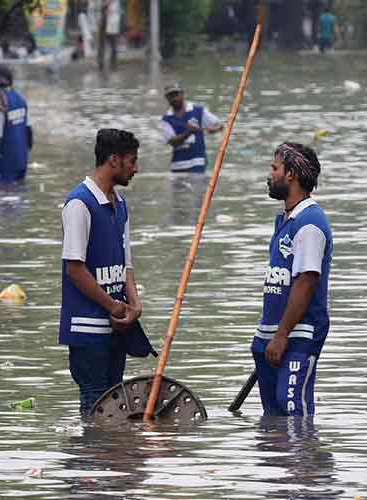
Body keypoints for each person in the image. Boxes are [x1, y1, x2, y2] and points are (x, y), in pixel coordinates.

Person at [59, 129, 142, 416]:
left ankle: (109, 458)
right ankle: (92, 459)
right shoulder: (79, 204)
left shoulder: (120, 206)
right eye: (132, 161)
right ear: (114, 161)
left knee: (115, 404)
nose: (135, 168)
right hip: (87, 329)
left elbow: (126, 265)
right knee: (95, 406)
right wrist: (112, 305)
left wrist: (134, 305)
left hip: (116, 327)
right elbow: (75, 270)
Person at [252, 142, 333, 417]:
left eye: (274, 168)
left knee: (293, 413)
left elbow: (306, 283)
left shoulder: (309, 222)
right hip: (272, 335)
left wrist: (281, 336)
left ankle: (301, 461)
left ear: (291, 175)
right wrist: (266, 337)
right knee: (273, 418)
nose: (269, 175)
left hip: (298, 335)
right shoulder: (286, 219)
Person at [160, 83, 223, 174]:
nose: (174, 98)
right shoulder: (166, 119)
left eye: (176, 95)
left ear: (182, 94)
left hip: (198, 162)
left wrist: (214, 129)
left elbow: (219, 125)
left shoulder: (198, 110)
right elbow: (172, 142)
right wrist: (189, 132)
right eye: (171, 96)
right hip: (178, 165)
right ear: (167, 98)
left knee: (198, 187)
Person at [0, 64, 32, 184]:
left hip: (5, 164)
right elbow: (29, 135)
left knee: (2, 197)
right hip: (22, 162)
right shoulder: (20, 99)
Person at [94, 0, 120, 70]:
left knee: (113, 44)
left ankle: (113, 64)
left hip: (111, 20)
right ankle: (100, 64)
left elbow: (112, 6)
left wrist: (106, 4)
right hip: (103, 20)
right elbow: (98, 6)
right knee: (101, 44)